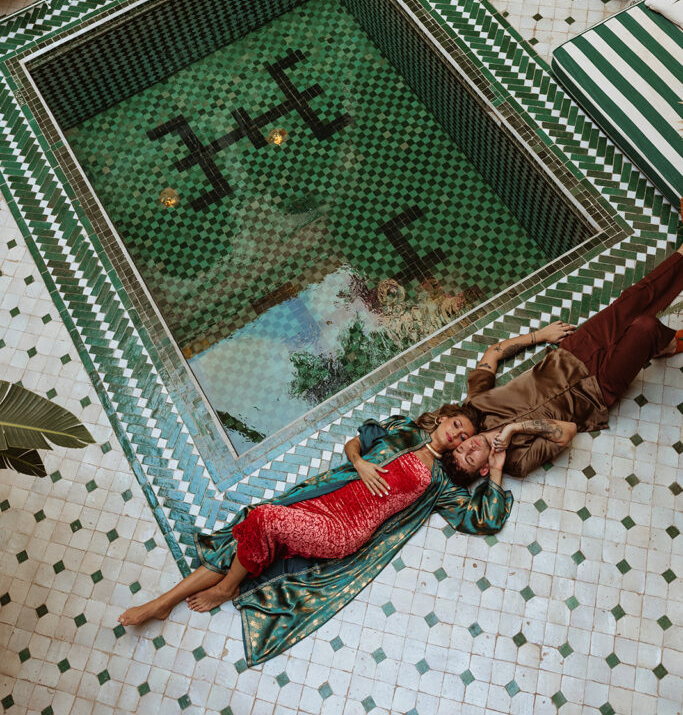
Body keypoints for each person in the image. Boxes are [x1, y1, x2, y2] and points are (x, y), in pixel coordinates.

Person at [119, 404, 512, 666]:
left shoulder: (441, 481)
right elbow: (354, 442)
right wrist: (360, 464)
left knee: (262, 520)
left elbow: (487, 518)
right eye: (456, 424)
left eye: (463, 439)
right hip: (323, 501)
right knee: (245, 537)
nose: (457, 435)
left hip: (343, 529)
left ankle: (223, 590)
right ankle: (162, 603)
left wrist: (495, 465)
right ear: (444, 419)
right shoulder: (403, 430)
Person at [446, 244, 683, 482]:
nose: (469, 448)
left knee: (634, 299)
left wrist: (539, 335)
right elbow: (567, 432)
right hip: (596, 390)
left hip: (570, 354)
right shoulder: (517, 461)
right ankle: (668, 346)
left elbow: (492, 354)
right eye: (469, 458)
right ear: (484, 469)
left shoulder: (476, 408)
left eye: (460, 448)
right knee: (645, 328)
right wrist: (514, 430)